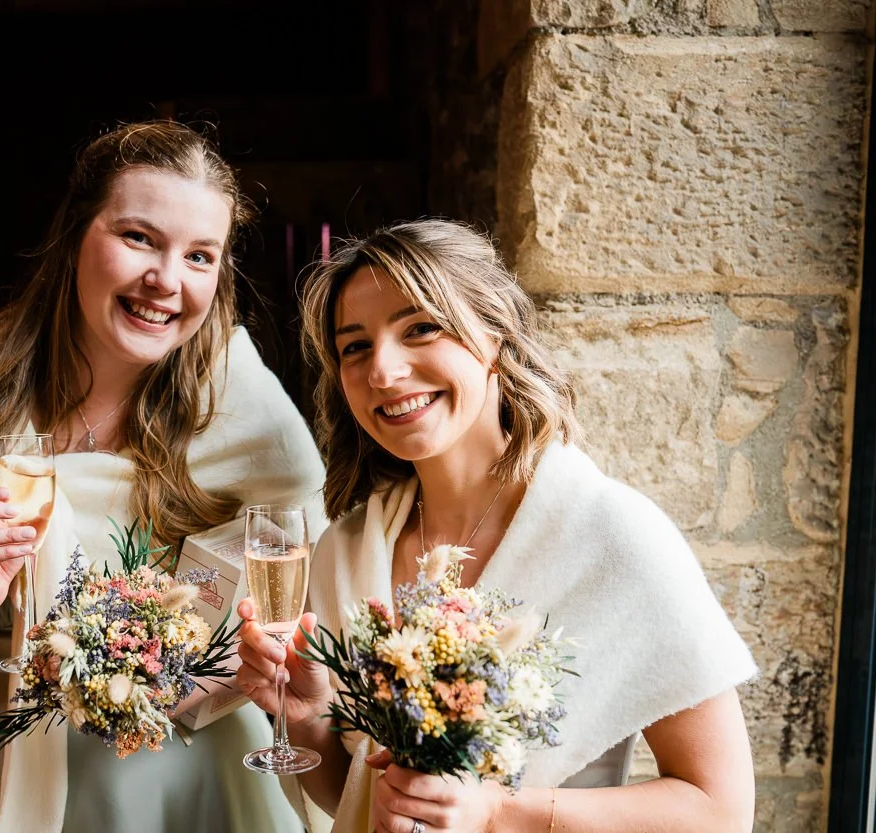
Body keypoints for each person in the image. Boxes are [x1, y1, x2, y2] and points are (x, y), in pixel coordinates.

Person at [0, 120, 328, 833]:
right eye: (138, 237)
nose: (167, 280)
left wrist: (234, 670)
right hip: (5, 770)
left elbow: (302, 595)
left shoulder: (240, 399)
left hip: (200, 780)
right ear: (76, 233)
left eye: (200, 256)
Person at [236, 219, 757, 833]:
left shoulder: (615, 538)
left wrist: (496, 812)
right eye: (355, 346)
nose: (383, 370)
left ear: (496, 337)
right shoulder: (345, 549)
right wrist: (306, 716)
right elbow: (355, 798)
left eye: (420, 328)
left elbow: (720, 810)